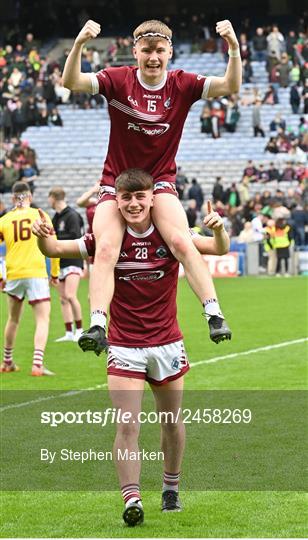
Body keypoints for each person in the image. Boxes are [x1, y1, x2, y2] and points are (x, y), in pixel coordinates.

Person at [33, 168, 230, 525]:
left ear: (153, 198)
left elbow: (217, 248)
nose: (135, 204)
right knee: (127, 426)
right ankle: (132, 500)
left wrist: (217, 227)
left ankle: (171, 487)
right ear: (117, 201)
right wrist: (42, 237)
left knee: (170, 422)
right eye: (127, 198)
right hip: (124, 346)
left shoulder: (172, 234)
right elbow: (56, 248)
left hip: (167, 342)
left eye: (141, 196)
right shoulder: (106, 239)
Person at [62, 18, 241, 354]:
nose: (154, 56)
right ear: (135, 51)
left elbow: (230, 85)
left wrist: (232, 47)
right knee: (105, 248)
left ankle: (213, 314)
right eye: (147, 50)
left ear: (169, 51)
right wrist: (79, 44)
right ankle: (98, 323)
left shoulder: (183, 84)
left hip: (159, 183)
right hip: (117, 185)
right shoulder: (118, 80)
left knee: (181, 240)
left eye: (160, 50)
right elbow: (69, 80)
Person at [0, 181, 58, 376]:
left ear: (13, 198)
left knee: (13, 319)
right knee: (42, 319)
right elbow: (54, 245)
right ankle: (37, 364)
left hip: (14, 273)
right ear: (30, 197)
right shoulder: (39, 215)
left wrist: (1, 275)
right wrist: (55, 273)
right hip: (36, 272)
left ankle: (7, 362)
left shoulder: (4, 220)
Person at [48, 187, 84, 342]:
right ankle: (69, 332)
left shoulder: (72, 215)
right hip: (60, 261)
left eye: (49, 198)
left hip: (73, 260)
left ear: (53, 198)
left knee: (70, 295)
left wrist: (56, 241)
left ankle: (80, 330)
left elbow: (76, 236)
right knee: (63, 298)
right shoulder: (55, 217)